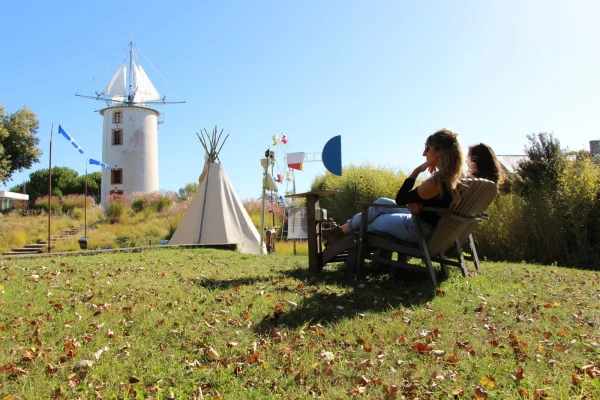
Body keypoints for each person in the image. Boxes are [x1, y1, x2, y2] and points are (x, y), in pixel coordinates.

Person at [323, 128, 464, 245]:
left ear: (439, 151)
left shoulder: (437, 182)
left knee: (374, 221)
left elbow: (401, 199)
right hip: (432, 226)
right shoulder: (455, 177)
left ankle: (341, 237)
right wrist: (419, 202)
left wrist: (416, 171)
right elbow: (430, 201)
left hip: (419, 229)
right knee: (381, 203)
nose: (424, 153)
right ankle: (340, 232)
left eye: (427, 148)